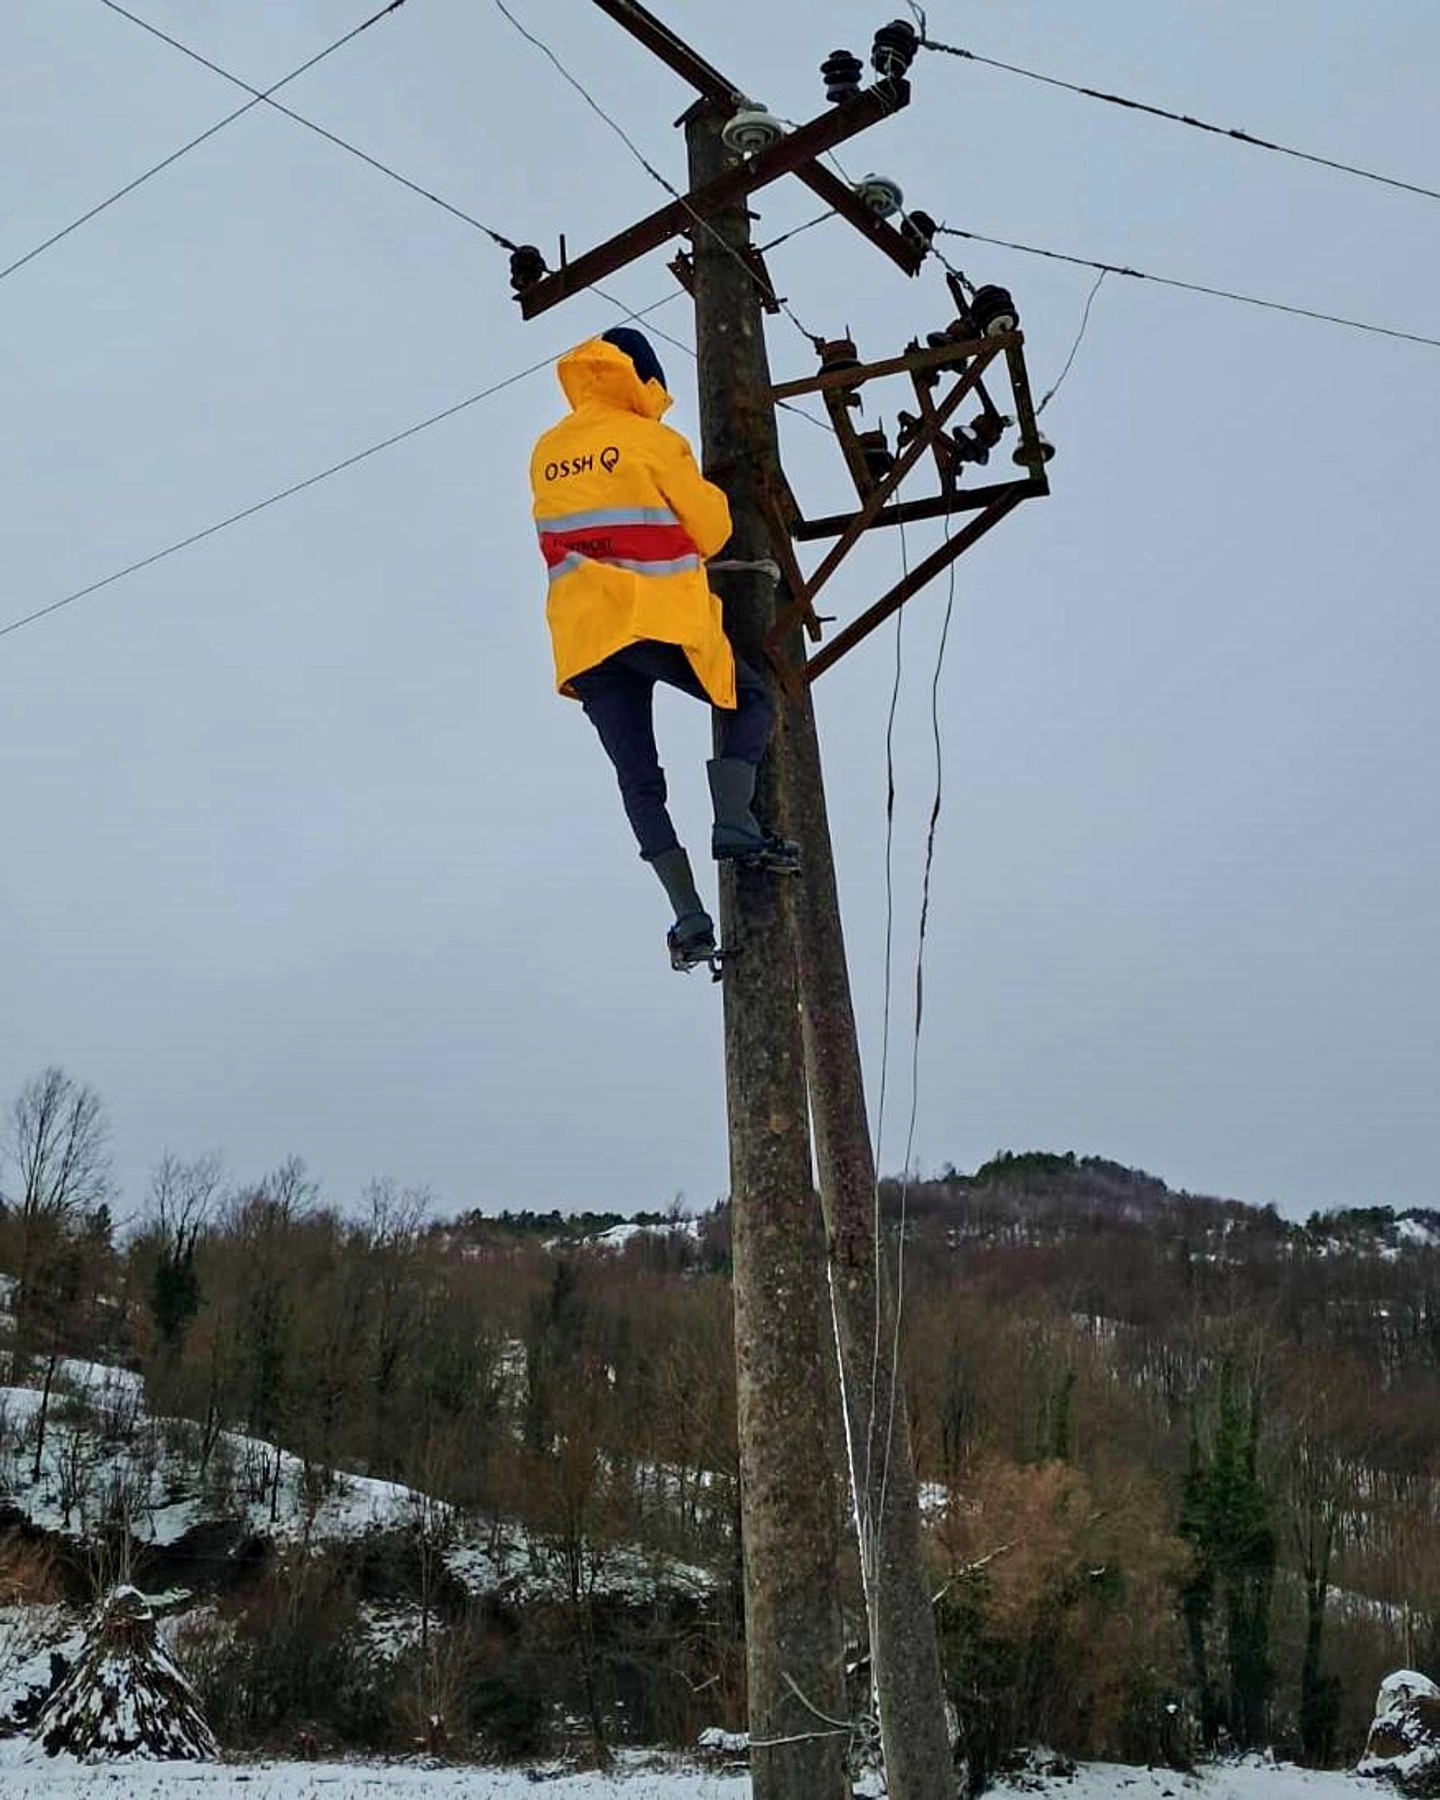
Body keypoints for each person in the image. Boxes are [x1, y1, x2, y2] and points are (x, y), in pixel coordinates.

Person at [530, 327, 799, 972]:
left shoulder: (547, 450)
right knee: (751, 696)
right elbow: (714, 527)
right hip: (653, 618)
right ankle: (735, 824)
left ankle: (688, 915)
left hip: (585, 638)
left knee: (637, 777)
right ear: (641, 376)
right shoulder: (653, 439)